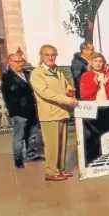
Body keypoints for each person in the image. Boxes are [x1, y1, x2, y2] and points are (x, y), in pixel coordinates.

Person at [30, 44, 78, 181]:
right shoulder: (37, 73)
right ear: (41, 56)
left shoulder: (57, 70)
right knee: (52, 145)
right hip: (49, 114)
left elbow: (65, 85)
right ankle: (51, 172)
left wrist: (69, 90)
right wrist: (67, 100)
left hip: (62, 111)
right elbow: (46, 93)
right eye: (47, 54)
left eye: (53, 55)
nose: (51, 57)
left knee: (61, 144)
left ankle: (60, 169)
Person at [0, 53, 43, 169]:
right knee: (19, 135)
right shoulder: (7, 77)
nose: (20, 64)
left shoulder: (28, 74)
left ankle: (31, 154)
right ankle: (18, 158)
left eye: (21, 61)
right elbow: (14, 92)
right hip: (19, 111)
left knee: (33, 133)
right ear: (10, 63)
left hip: (32, 109)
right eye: (16, 62)